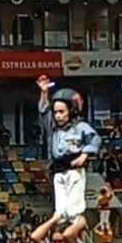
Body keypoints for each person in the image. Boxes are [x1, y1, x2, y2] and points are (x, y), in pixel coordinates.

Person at [36, 79, 101, 220]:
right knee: (60, 212)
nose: (58, 115)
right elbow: (43, 111)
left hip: (74, 170)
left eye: (61, 111)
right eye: (55, 112)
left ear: (71, 110)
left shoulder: (80, 127)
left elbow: (94, 139)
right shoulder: (53, 129)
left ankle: (75, 233)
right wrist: (44, 92)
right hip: (58, 171)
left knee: (73, 210)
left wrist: (84, 155)